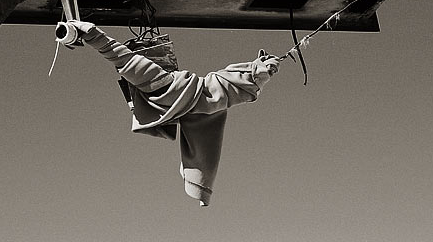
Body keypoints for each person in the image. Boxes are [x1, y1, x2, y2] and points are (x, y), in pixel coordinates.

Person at [62, 20, 281, 206]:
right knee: (223, 87)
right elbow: (122, 59)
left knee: (222, 88)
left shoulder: (163, 89)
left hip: (231, 88)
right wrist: (91, 34)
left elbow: (123, 59)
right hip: (232, 87)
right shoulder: (169, 90)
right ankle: (260, 72)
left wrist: (92, 34)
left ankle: (259, 72)